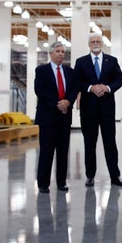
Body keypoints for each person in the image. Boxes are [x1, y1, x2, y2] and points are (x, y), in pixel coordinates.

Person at [74, 32, 122, 187]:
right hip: (88, 110)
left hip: (107, 109)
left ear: (102, 43)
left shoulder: (112, 61)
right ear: (89, 44)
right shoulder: (81, 62)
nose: (95, 44)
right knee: (89, 143)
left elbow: (120, 79)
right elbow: (76, 81)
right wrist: (90, 88)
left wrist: (108, 87)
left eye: (98, 41)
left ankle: (115, 176)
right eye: (92, 42)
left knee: (110, 143)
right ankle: (90, 175)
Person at [34, 41, 79, 193]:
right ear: (51, 53)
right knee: (46, 151)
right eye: (58, 51)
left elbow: (74, 89)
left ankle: (61, 182)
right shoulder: (41, 71)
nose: (61, 54)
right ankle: (43, 183)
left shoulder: (70, 72)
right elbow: (40, 90)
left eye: (63, 52)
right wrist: (58, 104)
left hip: (64, 118)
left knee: (63, 151)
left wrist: (68, 102)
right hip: (48, 117)